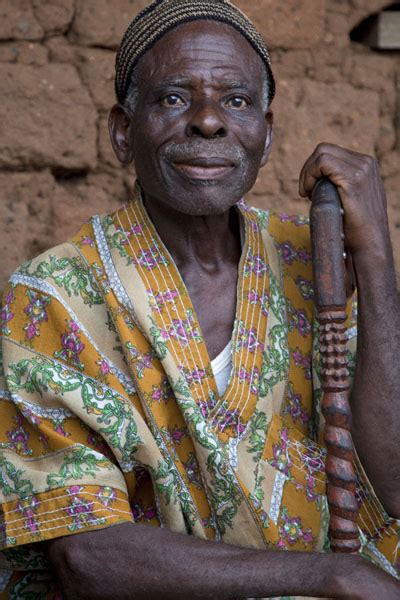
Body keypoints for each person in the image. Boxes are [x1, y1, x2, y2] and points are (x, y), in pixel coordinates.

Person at [0, 1, 399, 598]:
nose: (209, 122)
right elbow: (90, 556)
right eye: (173, 98)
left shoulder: (317, 264)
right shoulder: (53, 297)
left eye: (236, 101)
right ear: (120, 133)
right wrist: (329, 576)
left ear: (267, 136)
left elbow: (395, 485)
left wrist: (376, 266)